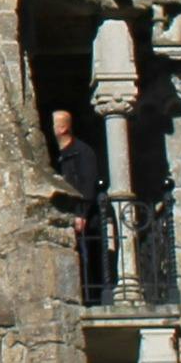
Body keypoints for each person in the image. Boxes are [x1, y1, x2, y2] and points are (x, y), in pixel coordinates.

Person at [53, 105, 113, 300]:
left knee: (89, 257)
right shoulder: (62, 154)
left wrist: (82, 213)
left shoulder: (82, 152)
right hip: (72, 214)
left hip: (87, 218)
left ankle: (93, 296)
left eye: (53, 124)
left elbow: (87, 185)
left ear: (62, 128)